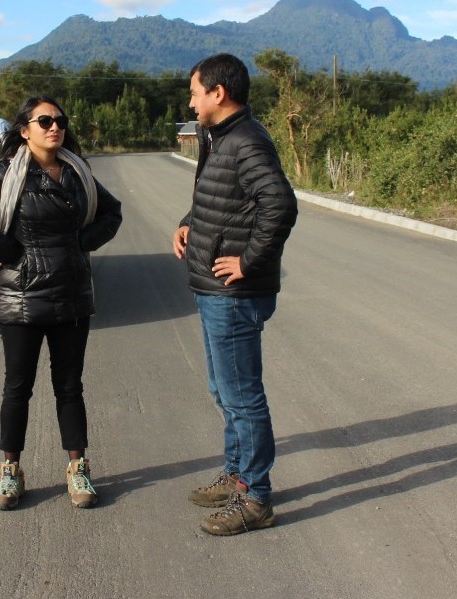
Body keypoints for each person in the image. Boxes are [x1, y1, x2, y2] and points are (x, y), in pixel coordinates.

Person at [0, 96, 122, 511]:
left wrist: (80, 245)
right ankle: (11, 471)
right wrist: (10, 253)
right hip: (21, 298)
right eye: (43, 120)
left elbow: (112, 213)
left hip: (71, 296)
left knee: (69, 387)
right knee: (17, 388)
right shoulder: (6, 174)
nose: (53, 127)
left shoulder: (78, 172)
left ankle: (77, 468)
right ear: (24, 130)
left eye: (59, 120)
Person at [172, 53, 297, 535]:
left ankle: (255, 497)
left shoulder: (246, 141)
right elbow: (217, 196)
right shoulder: (218, 136)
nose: (191, 99)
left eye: (194, 91)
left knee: (242, 396)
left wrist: (248, 262)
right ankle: (236, 473)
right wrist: (187, 224)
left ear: (217, 94)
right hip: (213, 288)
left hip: (234, 294)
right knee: (223, 390)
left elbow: (280, 206)